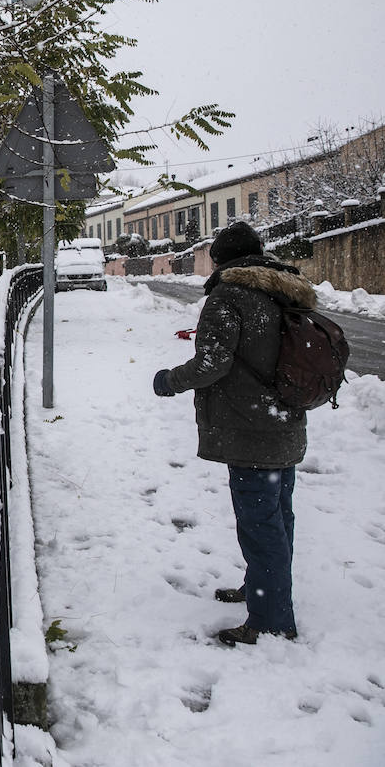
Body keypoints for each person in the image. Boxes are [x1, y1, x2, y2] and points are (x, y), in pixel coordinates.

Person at [152, 221, 314, 646]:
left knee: (260, 524)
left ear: (222, 260)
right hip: (283, 420)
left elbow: (211, 364)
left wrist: (170, 379)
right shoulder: (285, 288)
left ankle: (272, 619)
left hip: (250, 428)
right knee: (278, 517)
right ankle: (262, 588)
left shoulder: (229, 296)